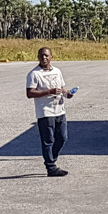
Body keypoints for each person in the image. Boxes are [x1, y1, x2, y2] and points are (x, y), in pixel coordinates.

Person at [25, 46, 75, 177]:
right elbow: (30, 93)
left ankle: (51, 159)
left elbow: (61, 88)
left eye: (46, 55)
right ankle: (51, 167)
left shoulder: (57, 71)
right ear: (38, 57)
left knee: (62, 138)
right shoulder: (34, 74)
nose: (44, 58)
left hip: (59, 109)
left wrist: (67, 94)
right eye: (41, 55)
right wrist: (49, 92)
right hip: (45, 111)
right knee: (48, 140)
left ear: (51, 57)